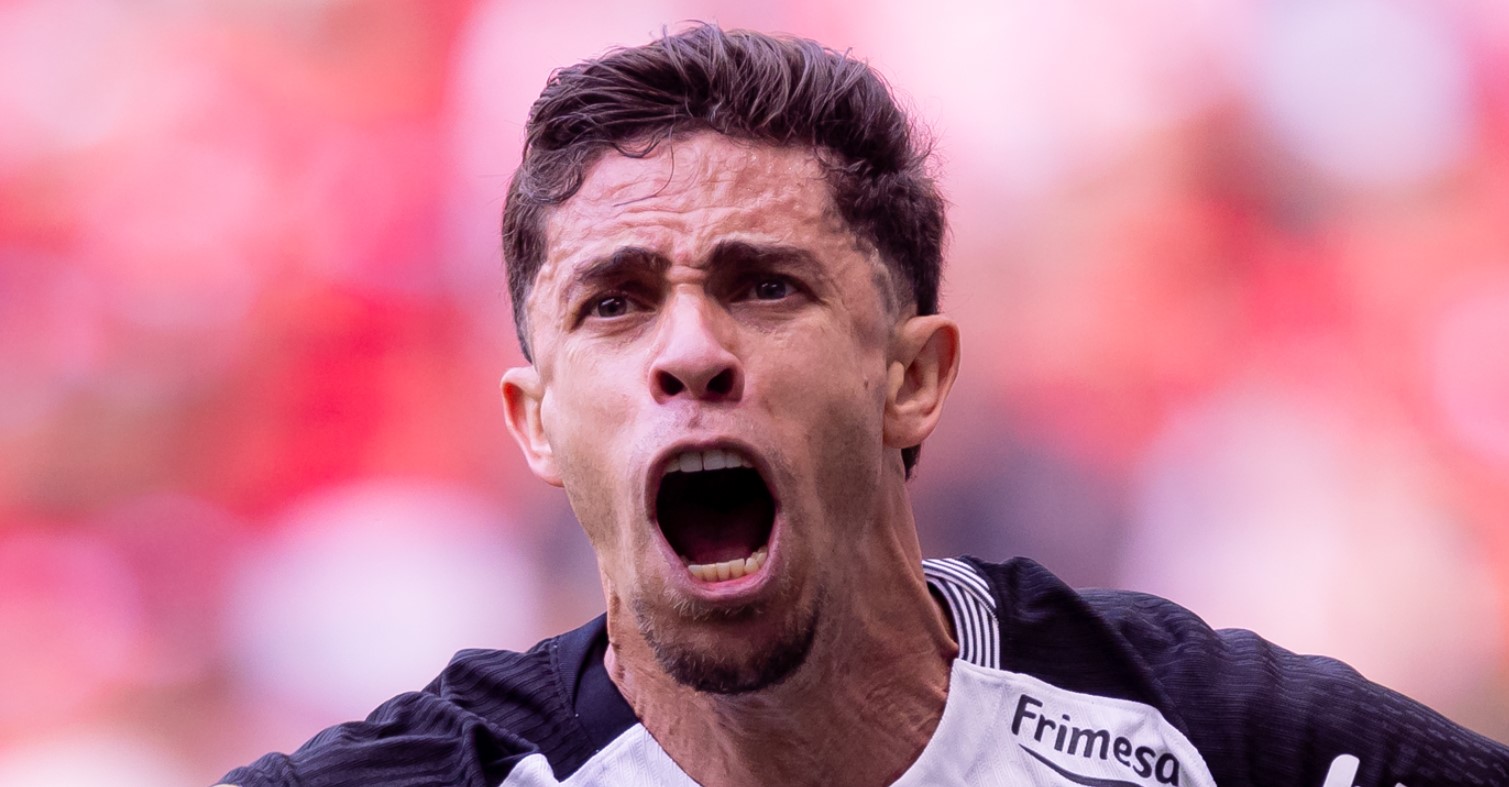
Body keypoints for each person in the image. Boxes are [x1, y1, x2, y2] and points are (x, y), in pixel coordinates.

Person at [218, 23, 1509, 787]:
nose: (690, 352)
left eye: (764, 286)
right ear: (535, 422)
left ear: (913, 377)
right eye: (614, 303)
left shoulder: (1227, 747)